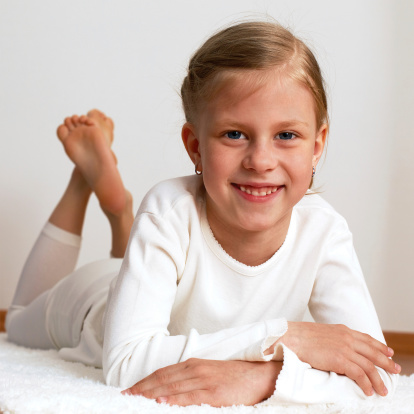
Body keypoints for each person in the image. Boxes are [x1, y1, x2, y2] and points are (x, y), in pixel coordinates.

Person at [6, 21, 400, 407]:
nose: (261, 160)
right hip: (91, 305)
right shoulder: (169, 209)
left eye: (286, 135)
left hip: (153, 282)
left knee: (138, 266)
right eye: (234, 134)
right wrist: (283, 339)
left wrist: (263, 376)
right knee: (17, 321)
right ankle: (84, 186)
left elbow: (377, 375)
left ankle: (121, 217)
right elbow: (126, 363)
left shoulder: (323, 230)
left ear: (317, 146)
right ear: (195, 146)